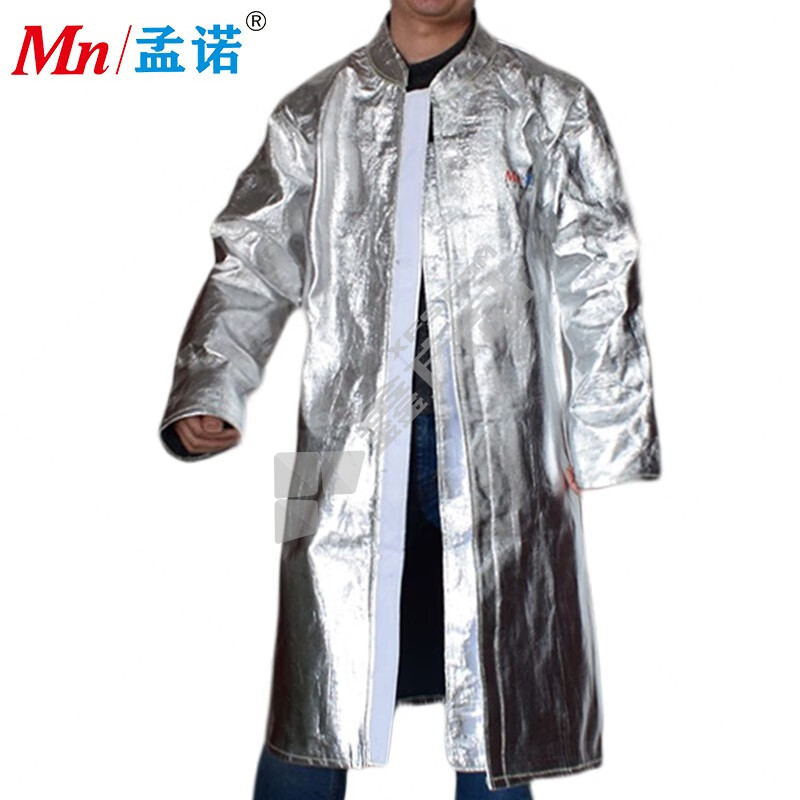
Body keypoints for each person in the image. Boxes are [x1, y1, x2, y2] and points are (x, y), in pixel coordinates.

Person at [158, 0, 661, 796]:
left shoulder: (549, 104)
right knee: (311, 697)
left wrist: (606, 430)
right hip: (335, 440)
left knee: (498, 698)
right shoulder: (310, 111)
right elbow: (251, 260)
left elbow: (600, 269)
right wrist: (208, 384)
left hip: (499, 444)